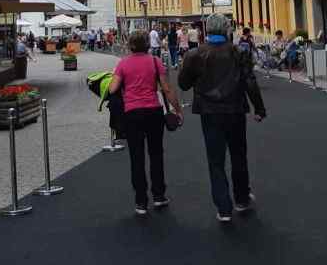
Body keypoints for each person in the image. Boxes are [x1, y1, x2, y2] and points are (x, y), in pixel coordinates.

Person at [178, 14, 266, 223]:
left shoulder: (194, 54)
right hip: (235, 110)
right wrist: (259, 108)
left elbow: (183, 84)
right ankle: (242, 198)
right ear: (227, 30)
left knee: (215, 160)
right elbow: (250, 82)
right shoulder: (239, 52)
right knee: (239, 155)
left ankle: (224, 207)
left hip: (209, 112)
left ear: (206, 30)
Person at [109, 31, 183, 215]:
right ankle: (159, 195)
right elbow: (166, 88)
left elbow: (112, 89)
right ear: (147, 44)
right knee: (156, 154)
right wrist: (178, 109)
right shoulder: (154, 62)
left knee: (136, 157)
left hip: (132, 113)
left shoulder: (123, 63)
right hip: (153, 111)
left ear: (130, 45)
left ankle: (140, 201)